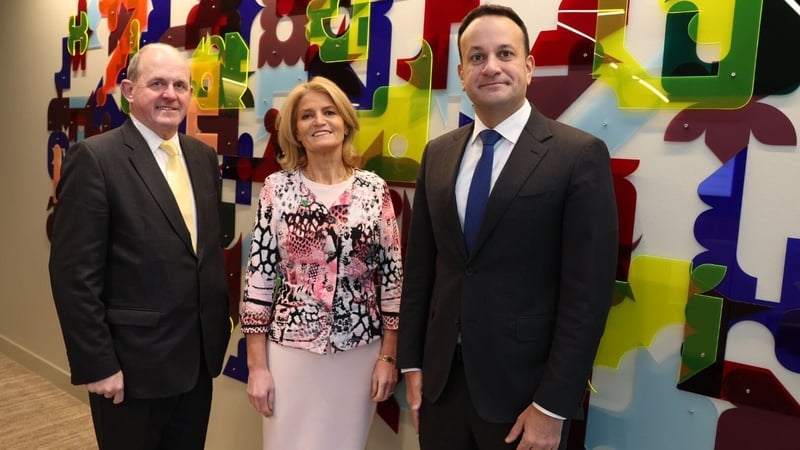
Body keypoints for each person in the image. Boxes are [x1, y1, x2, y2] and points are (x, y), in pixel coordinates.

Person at [397, 5, 619, 450]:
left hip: (525, 397)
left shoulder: (578, 155)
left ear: (529, 66)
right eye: (477, 57)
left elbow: (588, 296)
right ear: (461, 74)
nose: (491, 67)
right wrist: (412, 362)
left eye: (505, 53)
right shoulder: (438, 154)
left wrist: (553, 406)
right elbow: (421, 269)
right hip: (442, 386)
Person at [48, 43, 232, 450]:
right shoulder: (95, 158)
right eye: (158, 83)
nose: (171, 94)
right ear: (129, 91)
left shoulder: (202, 158)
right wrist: (97, 364)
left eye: (180, 85)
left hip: (197, 362)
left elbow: (201, 255)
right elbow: (73, 275)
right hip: (130, 369)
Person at [240, 76, 403, 450]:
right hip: (290, 353)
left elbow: (393, 279)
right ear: (296, 131)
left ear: (345, 121)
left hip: (359, 352)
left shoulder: (374, 190)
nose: (319, 121)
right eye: (307, 115)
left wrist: (388, 356)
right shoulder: (277, 189)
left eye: (329, 112)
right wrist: (257, 367)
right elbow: (259, 281)